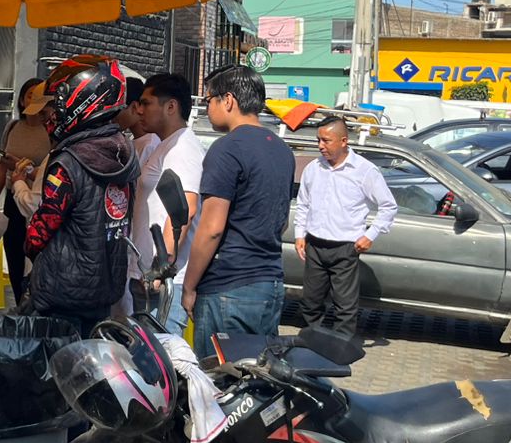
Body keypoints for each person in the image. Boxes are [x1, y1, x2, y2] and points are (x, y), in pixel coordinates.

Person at [182, 65, 295, 357]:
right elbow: (279, 221)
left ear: (228, 100)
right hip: (270, 285)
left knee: (219, 388)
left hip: (228, 287)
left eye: (209, 100)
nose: (207, 108)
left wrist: (189, 286)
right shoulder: (282, 148)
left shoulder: (227, 149)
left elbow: (212, 227)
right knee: (255, 383)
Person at [25, 56, 140, 328]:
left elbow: (42, 229)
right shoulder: (125, 153)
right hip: (105, 289)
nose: (54, 113)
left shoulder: (68, 162)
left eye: (58, 104)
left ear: (82, 103)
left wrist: (29, 247)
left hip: (61, 293)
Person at [293, 116, 397, 338]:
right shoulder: (313, 168)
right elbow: (303, 203)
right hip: (315, 245)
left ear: (343, 141)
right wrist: (299, 234)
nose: (321, 146)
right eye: (318, 140)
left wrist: (370, 235)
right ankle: (312, 343)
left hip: (346, 247)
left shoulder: (364, 171)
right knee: (310, 301)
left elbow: (388, 206)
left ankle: (340, 350)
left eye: (326, 141)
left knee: (345, 306)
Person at [129, 73, 204, 328]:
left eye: (146, 103)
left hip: (161, 282)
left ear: (171, 106)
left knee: (161, 360)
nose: (139, 110)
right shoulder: (165, 145)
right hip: (146, 276)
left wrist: (162, 267)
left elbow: (185, 209)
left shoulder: (182, 147)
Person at [0, 78, 51, 305]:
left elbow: (49, 175)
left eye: (39, 96)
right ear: (22, 100)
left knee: (31, 256)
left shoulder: (49, 132)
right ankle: (18, 302)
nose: (33, 101)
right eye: (29, 95)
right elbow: (3, 166)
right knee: (13, 252)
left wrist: (24, 168)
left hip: (36, 201)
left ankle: (31, 303)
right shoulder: (13, 127)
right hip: (13, 197)